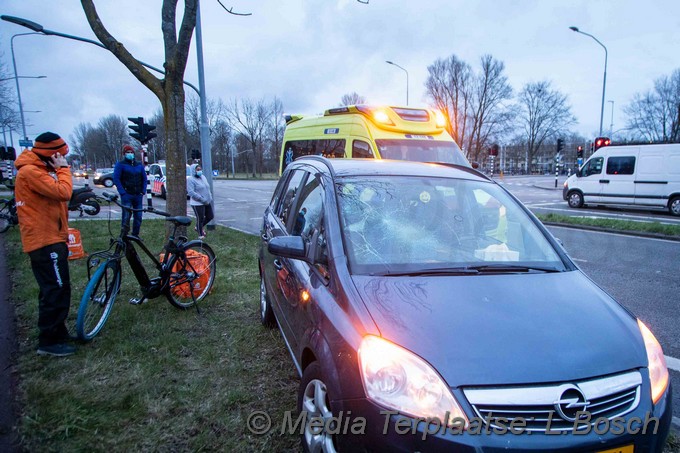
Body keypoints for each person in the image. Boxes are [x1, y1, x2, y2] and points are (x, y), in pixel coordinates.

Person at [14, 132, 75, 357]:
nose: (62, 160)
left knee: (58, 287)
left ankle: (58, 332)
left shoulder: (38, 171)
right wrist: (63, 169)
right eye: (60, 156)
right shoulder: (31, 172)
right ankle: (48, 340)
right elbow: (63, 192)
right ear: (52, 154)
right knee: (55, 289)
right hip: (44, 240)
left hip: (51, 237)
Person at [113, 144, 147, 237]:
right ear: (124, 154)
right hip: (127, 194)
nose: (130, 154)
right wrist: (122, 192)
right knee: (126, 216)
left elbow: (144, 178)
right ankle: (124, 234)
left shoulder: (139, 165)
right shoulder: (121, 165)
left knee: (138, 216)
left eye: (131, 152)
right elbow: (116, 179)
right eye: (128, 152)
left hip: (138, 195)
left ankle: (135, 234)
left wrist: (143, 191)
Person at [187, 164, 213, 239]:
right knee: (200, 218)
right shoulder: (190, 179)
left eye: (200, 169)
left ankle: (197, 227)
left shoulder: (203, 177)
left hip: (207, 201)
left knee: (210, 216)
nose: (199, 171)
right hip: (197, 203)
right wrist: (201, 199)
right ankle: (200, 235)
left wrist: (209, 197)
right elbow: (191, 192)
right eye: (197, 170)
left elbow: (207, 187)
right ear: (193, 170)